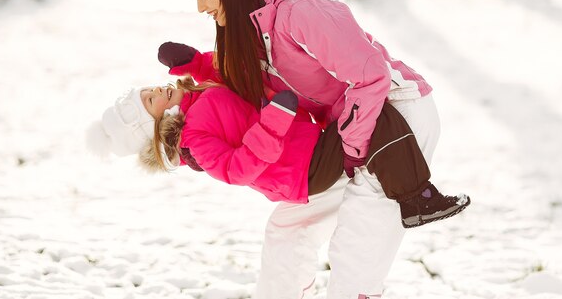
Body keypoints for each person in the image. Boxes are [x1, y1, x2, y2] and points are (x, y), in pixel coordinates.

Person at [162, 0, 467, 299]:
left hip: (396, 114)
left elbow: (370, 77)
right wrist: (196, 66)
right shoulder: (256, 33)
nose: (200, 7)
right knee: (289, 229)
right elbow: (250, 79)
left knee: (359, 238)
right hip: (346, 130)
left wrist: (354, 147)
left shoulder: (302, 13)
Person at [88, 74, 469, 223]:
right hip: (302, 169)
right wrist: (275, 119)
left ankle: (408, 190)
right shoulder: (194, 140)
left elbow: (232, 76)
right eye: (150, 101)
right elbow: (237, 170)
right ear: (154, 127)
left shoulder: (197, 99)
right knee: (375, 116)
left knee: (368, 115)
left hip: (307, 144)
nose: (157, 90)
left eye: (149, 89)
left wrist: (193, 61)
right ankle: (415, 199)